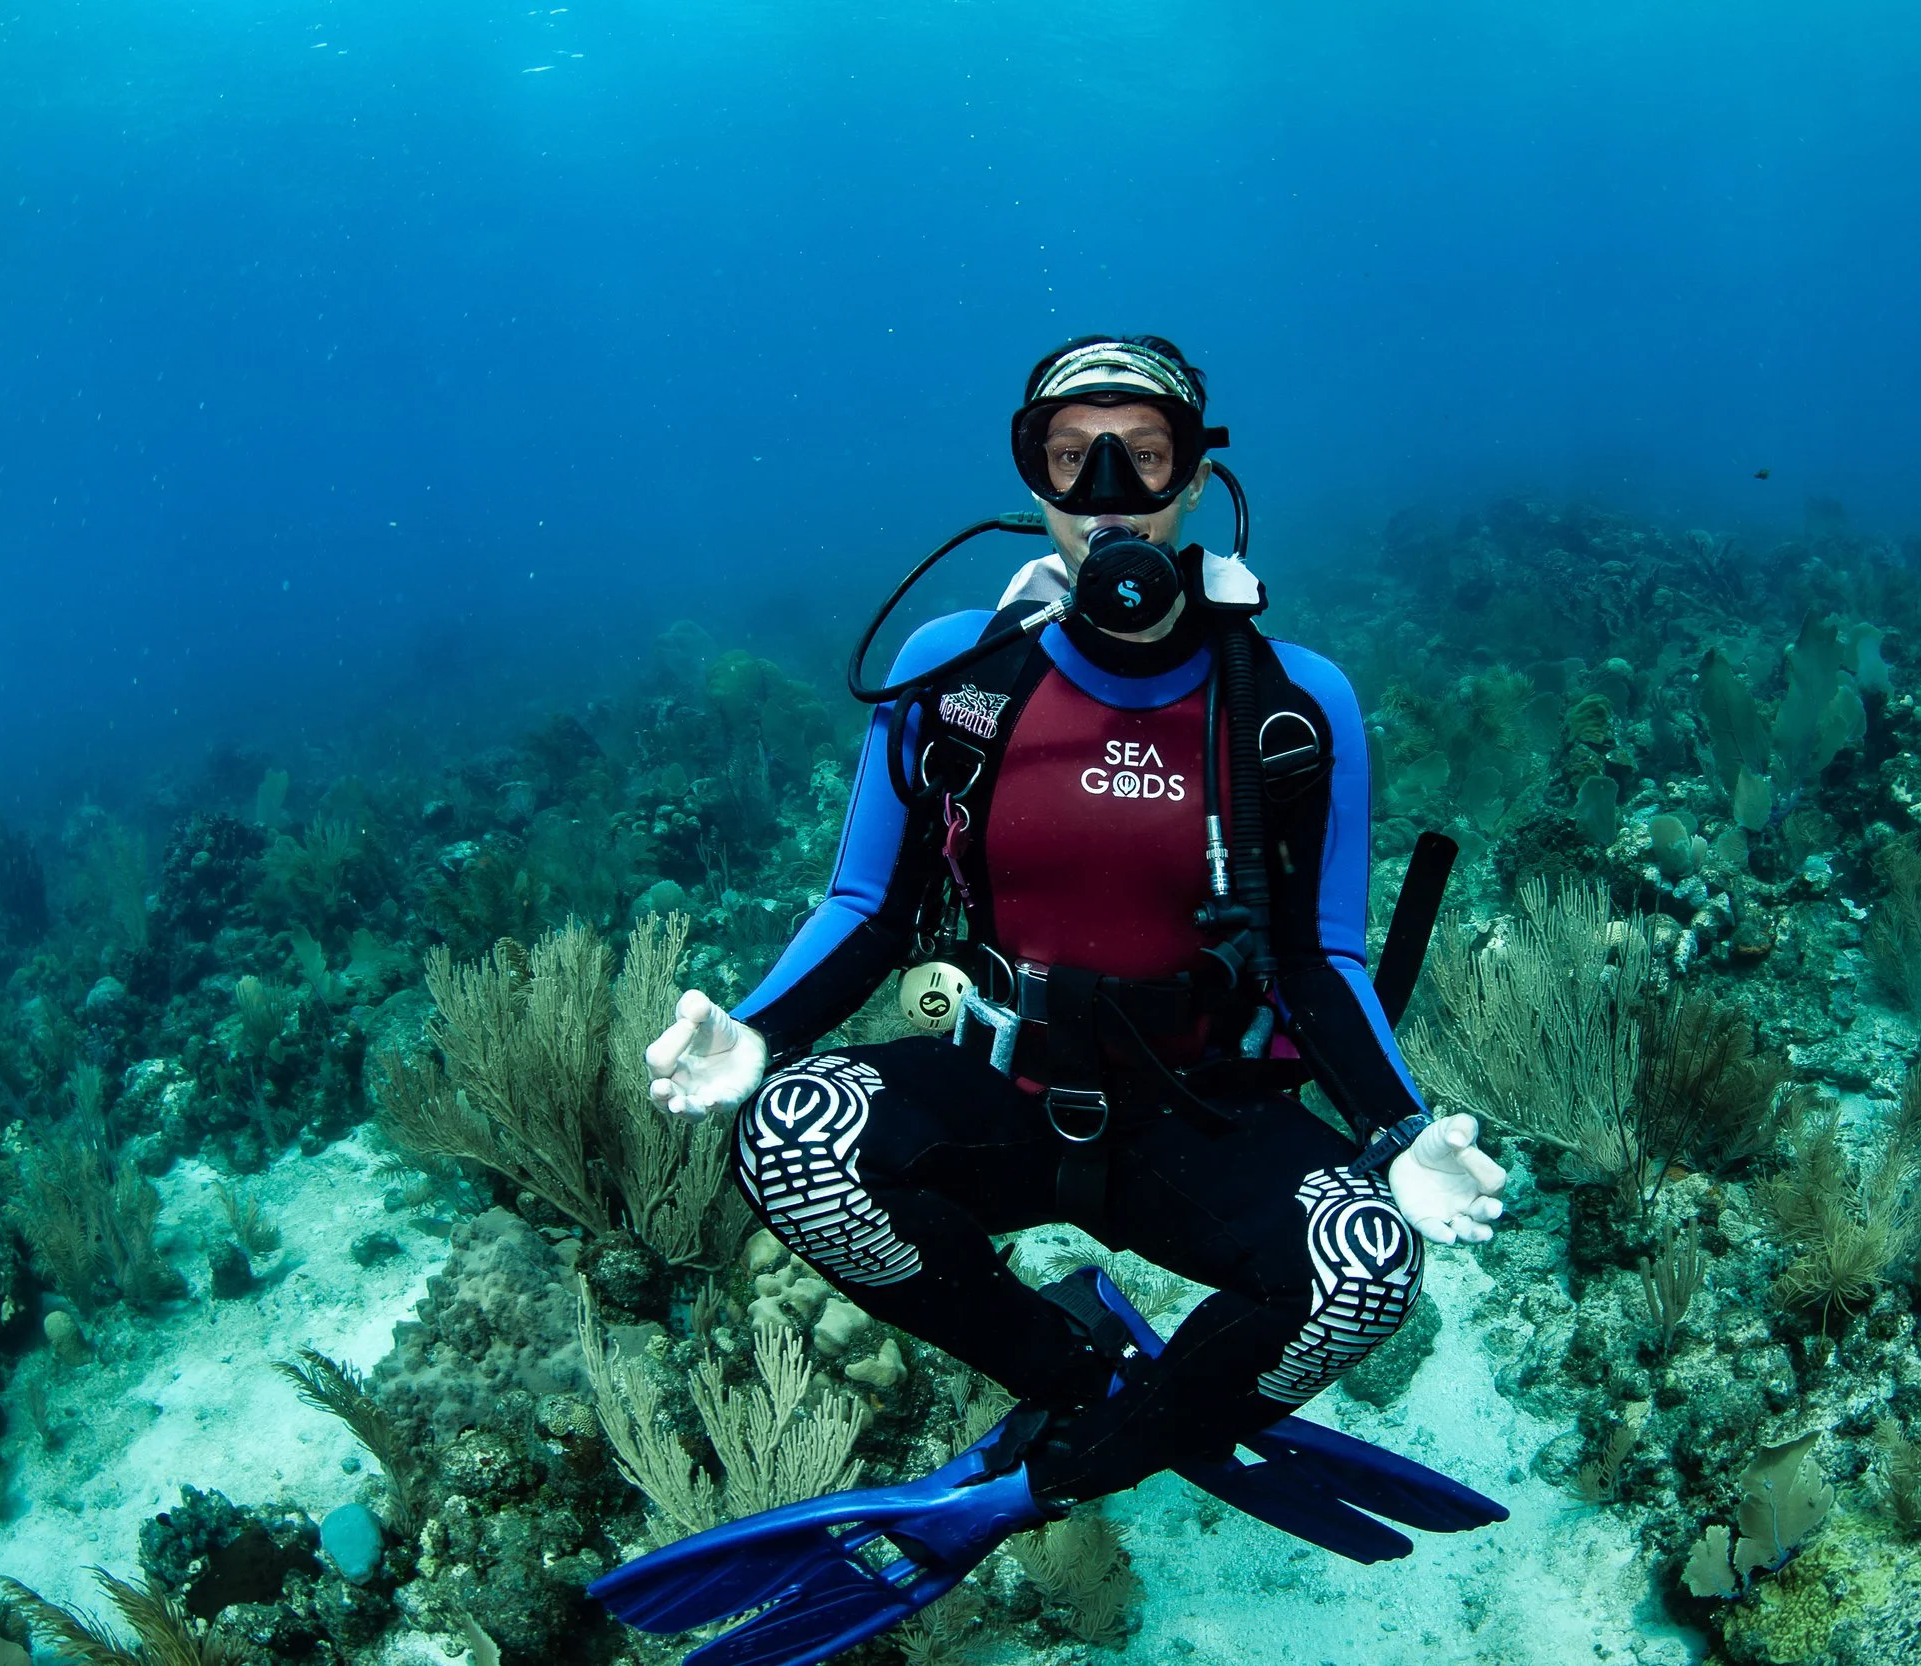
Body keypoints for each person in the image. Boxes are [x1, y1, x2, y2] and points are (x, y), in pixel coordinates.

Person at [602, 335, 1507, 1659]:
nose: (1105, 489)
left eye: (1142, 453)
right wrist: (756, 1029)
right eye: (1066, 454)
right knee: (786, 1137)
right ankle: (1103, 1387)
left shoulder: (1295, 705)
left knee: (1370, 1269)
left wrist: (1401, 1132)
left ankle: (1045, 1480)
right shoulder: (955, 675)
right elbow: (865, 908)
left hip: (1203, 1120)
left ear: (1197, 479)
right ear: (1031, 477)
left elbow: (1323, 959)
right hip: (1000, 1092)